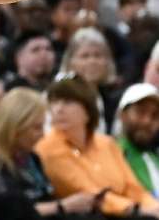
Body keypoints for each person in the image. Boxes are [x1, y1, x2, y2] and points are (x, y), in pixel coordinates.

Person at [0, 87, 101, 220]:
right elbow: (16, 212)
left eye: (43, 126)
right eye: (37, 128)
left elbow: (45, 198)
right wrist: (64, 205)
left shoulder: (32, 158)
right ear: (15, 128)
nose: (43, 134)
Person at [37, 77, 159, 217]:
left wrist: (154, 207)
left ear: (87, 110)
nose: (58, 109)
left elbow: (133, 188)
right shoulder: (47, 149)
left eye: (68, 102)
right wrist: (138, 210)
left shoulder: (107, 144)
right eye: (54, 102)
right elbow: (90, 194)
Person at [115, 82, 159, 195]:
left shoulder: (155, 156)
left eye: (155, 115)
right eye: (141, 112)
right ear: (122, 115)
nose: (147, 121)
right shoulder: (113, 155)